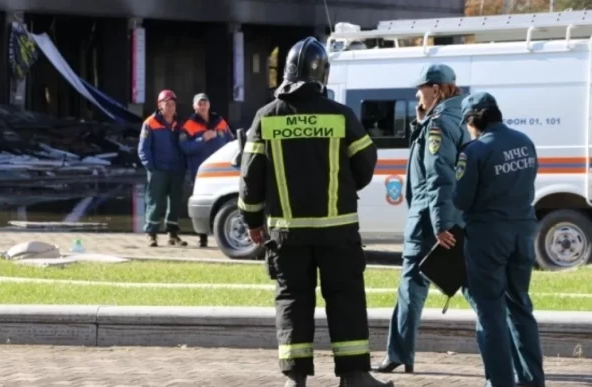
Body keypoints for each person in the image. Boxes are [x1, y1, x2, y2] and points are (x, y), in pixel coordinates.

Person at [238, 36, 393, 387]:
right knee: (346, 298)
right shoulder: (341, 116)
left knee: (292, 299)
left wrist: (251, 220)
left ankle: (296, 379)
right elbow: (366, 164)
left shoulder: (266, 118)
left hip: (286, 233)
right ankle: (354, 376)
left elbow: (250, 177)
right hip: (337, 232)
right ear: (322, 73)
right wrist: (341, 187)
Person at [373, 64, 470, 374]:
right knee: (471, 284)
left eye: (422, 88)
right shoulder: (452, 118)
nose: (417, 93)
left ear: (438, 90)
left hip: (429, 219)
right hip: (446, 216)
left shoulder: (439, 124)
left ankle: (398, 354)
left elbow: (439, 176)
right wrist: (420, 121)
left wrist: (440, 224)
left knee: (410, 286)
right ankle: (510, 345)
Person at [453, 92, 545, 387]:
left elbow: (461, 199)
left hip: (488, 237)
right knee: (520, 305)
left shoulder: (474, 151)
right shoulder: (524, 141)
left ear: (473, 120)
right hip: (524, 232)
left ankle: (500, 381)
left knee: (489, 311)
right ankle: (532, 380)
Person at [179, 93, 233, 248]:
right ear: (194, 106)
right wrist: (202, 139)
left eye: (205, 103)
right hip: (201, 173)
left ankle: (222, 235)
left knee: (222, 203)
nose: (202, 106)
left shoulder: (220, 122)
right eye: (199, 104)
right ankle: (202, 237)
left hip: (222, 171)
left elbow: (231, 141)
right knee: (202, 204)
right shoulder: (189, 125)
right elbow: (185, 148)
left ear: (209, 105)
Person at [137, 89, 188, 247]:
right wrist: (151, 167)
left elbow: (186, 145)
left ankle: (173, 233)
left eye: (173, 104)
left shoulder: (180, 124)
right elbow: (143, 149)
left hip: (177, 169)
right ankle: (151, 233)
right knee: (155, 201)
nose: (170, 107)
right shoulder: (150, 123)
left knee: (175, 202)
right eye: (167, 104)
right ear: (160, 105)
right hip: (158, 169)